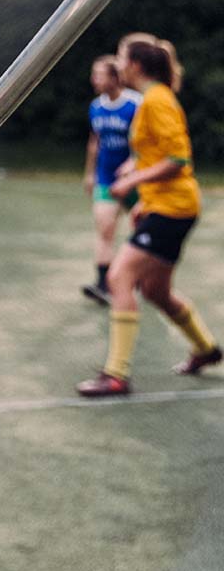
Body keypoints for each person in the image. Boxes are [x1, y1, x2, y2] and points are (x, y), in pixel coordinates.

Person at [77, 34, 221, 397]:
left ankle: (116, 375)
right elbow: (156, 155)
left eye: (123, 58)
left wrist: (132, 182)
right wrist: (143, 196)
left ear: (136, 65)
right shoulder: (152, 101)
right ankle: (206, 350)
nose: (119, 63)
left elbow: (178, 161)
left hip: (174, 208)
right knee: (156, 291)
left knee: (119, 277)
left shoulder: (157, 101)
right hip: (164, 206)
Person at [80, 54, 141, 306]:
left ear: (115, 77)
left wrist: (134, 162)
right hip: (106, 178)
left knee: (140, 230)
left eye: (99, 74)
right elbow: (95, 142)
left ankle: (137, 278)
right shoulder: (96, 106)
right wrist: (90, 172)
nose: (94, 79)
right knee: (105, 229)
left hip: (137, 180)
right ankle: (103, 284)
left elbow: (148, 141)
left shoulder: (136, 104)